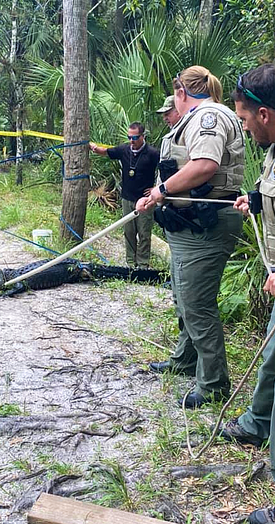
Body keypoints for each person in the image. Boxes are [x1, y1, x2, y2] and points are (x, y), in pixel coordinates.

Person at [137, 65, 245, 409]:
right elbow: (180, 172)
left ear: (181, 93)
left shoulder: (207, 117)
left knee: (197, 303)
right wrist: (158, 193)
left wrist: (162, 190)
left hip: (208, 222)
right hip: (187, 223)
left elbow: (204, 166)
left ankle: (213, 384)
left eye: (174, 98)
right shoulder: (193, 118)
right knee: (182, 295)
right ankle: (185, 359)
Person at [222, 63, 275, 524]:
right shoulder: (273, 149)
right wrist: (255, 199)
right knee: (271, 358)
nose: (241, 125)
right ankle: (257, 425)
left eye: (242, 118)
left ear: (264, 114)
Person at [91, 122, 160, 268]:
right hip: (127, 197)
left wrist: (156, 188)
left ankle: (142, 264)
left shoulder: (152, 153)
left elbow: (165, 169)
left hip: (145, 199)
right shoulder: (124, 149)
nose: (131, 141)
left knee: (144, 232)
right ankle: (130, 263)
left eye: (135, 138)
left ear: (143, 136)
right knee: (129, 231)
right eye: (129, 137)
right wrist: (94, 148)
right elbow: (107, 152)